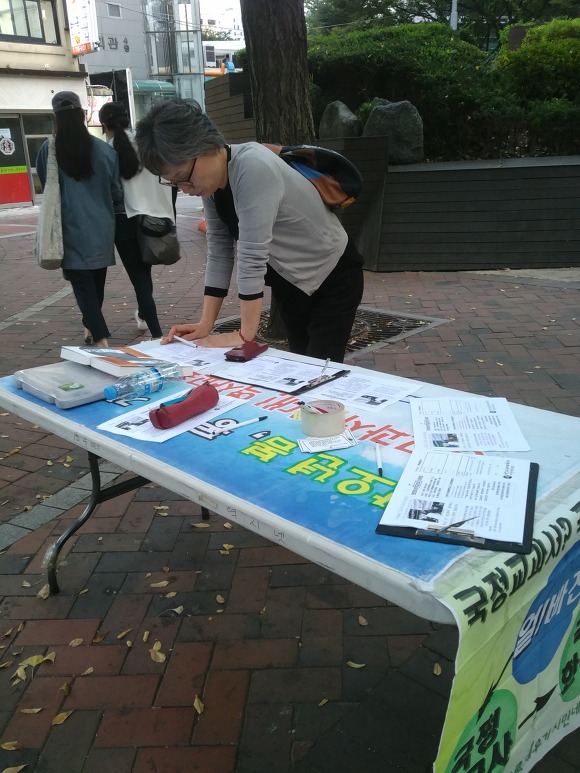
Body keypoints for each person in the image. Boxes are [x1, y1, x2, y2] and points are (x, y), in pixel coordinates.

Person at [135, 98, 364, 363]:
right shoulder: (211, 184)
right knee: (303, 367)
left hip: (333, 275)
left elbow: (252, 254)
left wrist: (245, 335)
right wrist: (206, 324)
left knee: (319, 371)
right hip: (291, 283)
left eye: (183, 176)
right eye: (174, 183)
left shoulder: (252, 166)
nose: (185, 188)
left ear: (206, 146)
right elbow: (219, 250)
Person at [36, 91, 123, 347]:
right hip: (102, 227)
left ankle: (101, 337)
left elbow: (47, 184)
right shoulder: (105, 150)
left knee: (83, 287)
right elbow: (116, 192)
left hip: (69, 227)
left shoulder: (49, 149)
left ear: (56, 117)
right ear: (83, 115)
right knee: (96, 283)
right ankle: (91, 326)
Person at [98, 101, 175, 339]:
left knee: (139, 278)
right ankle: (143, 315)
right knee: (144, 273)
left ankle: (156, 332)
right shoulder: (147, 143)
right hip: (153, 218)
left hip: (124, 220)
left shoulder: (107, 151)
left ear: (104, 125)